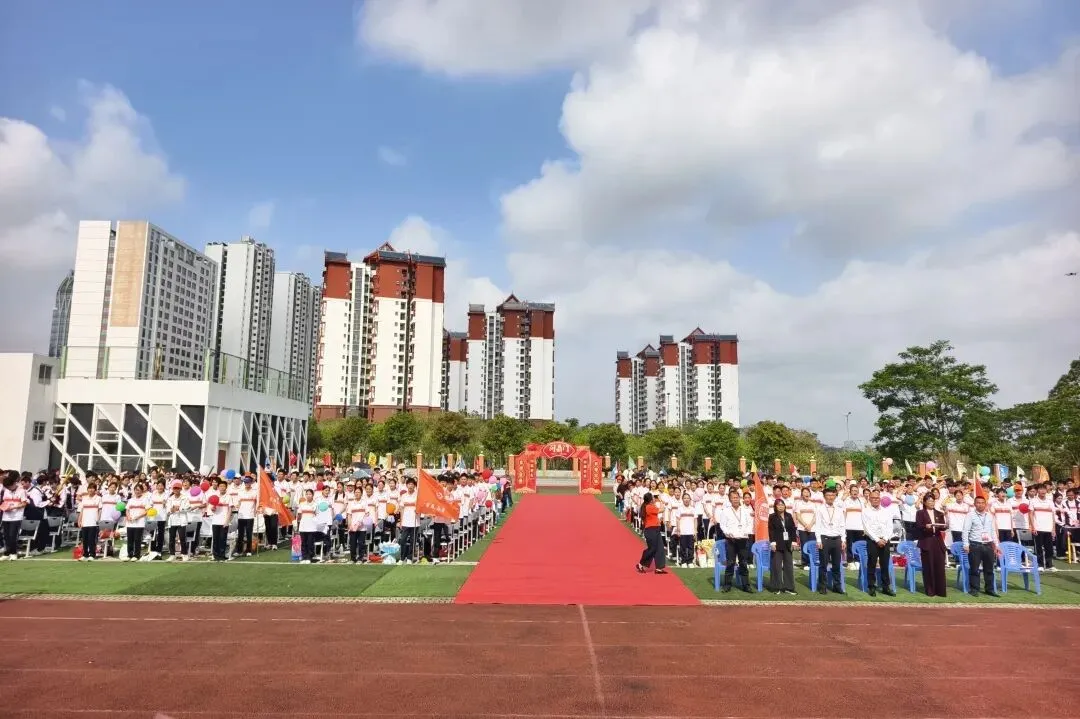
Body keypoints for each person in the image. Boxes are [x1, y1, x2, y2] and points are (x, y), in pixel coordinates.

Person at [962, 495, 1001, 597]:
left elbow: (993, 531)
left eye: (982, 503)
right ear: (974, 504)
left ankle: (990, 589)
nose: (980, 504)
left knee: (989, 569)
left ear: (985, 504)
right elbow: (965, 530)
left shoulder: (990, 516)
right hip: (975, 544)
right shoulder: (970, 515)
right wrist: (966, 544)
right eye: (978, 503)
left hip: (988, 545)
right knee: (974, 569)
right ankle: (974, 589)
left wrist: (996, 545)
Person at [862, 490, 895, 597]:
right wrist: (877, 540)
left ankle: (886, 587)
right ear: (869, 499)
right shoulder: (865, 511)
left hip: (885, 540)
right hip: (872, 540)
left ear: (880, 499)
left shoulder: (886, 511)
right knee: (871, 563)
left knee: (885, 564)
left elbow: (890, 527)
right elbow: (867, 528)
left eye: (877, 498)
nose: (875, 500)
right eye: (873, 498)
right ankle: (871, 586)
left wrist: (884, 539)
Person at [814, 485, 846, 595]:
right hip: (825, 539)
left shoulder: (839, 509)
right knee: (824, 564)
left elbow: (842, 525)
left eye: (833, 495)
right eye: (828, 495)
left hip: (837, 539)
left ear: (836, 496)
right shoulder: (820, 509)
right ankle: (822, 586)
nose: (830, 497)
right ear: (824, 496)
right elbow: (817, 525)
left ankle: (837, 586)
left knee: (837, 564)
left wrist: (843, 539)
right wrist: (818, 540)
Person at [915, 494, 948, 597]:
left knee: (939, 566)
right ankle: (930, 590)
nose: (931, 503)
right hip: (927, 541)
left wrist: (946, 523)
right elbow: (918, 526)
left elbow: (943, 527)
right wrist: (926, 526)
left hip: (937, 541)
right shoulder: (920, 513)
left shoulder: (939, 513)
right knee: (928, 566)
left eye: (933, 501)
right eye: (929, 501)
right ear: (925, 502)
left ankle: (940, 590)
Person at [768, 499, 797, 595]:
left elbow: (793, 529)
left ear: (785, 506)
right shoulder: (772, 517)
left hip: (788, 544)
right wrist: (772, 543)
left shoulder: (788, 516)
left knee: (788, 566)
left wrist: (794, 541)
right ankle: (776, 587)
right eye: (778, 505)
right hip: (777, 544)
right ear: (775, 507)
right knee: (776, 566)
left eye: (782, 504)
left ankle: (789, 587)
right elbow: (771, 530)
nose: (780, 506)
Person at [636, 492, 667, 574]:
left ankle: (659, 568)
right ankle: (641, 564)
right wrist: (661, 501)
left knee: (660, 548)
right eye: (653, 497)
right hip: (651, 530)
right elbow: (662, 509)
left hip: (655, 529)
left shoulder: (650, 506)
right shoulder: (649, 507)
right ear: (650, 500)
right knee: (652, 549)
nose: (654, 498)